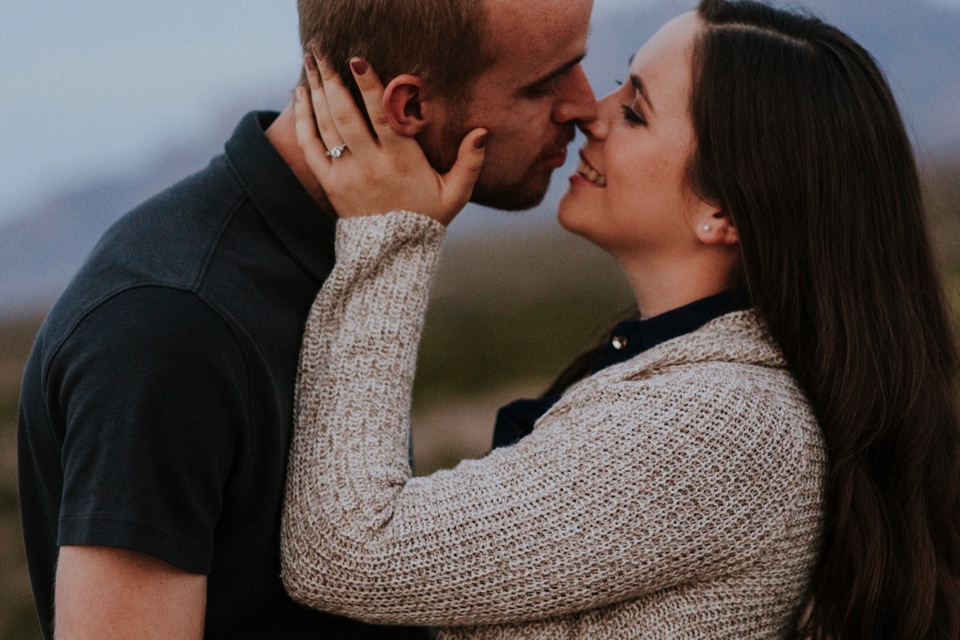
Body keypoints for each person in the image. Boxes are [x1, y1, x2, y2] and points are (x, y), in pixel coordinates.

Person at [280, 0, 960, 637]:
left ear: (722, 212)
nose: (589, 114)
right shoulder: (686, 385)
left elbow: (344, 552)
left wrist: (390, 236)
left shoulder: (718, 424)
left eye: (634, 111)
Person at [16, 0, 596, 637]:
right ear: (407, 108)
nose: (585, 105)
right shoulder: (170, 326)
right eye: (544, 84)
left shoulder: (347, 255)